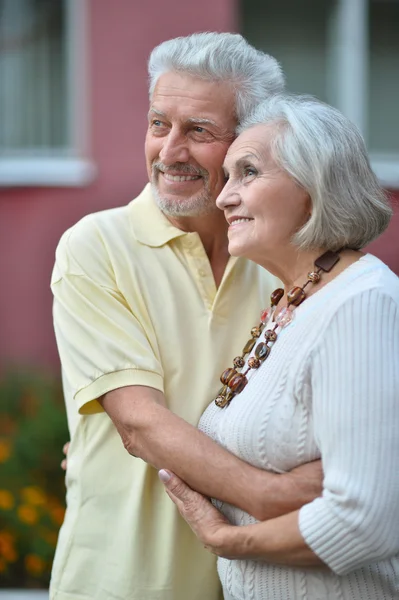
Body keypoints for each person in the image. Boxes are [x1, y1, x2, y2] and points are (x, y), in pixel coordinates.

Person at [50, 34, 324, 600]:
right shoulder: (95, 247)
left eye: (198, 130)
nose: (169, 151)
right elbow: (140, 424)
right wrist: (275, 496)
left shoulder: (289, 262)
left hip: (264, 584)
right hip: (120, 585)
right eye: (158, 124)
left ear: (246, 143)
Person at [159, 94, 399, 599]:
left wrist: (232, 540)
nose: (224, 197)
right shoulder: (295, 303)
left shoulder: (360, 303)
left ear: (314, 187)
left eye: (248, 172)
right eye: (226, 177)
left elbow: (367, 520)